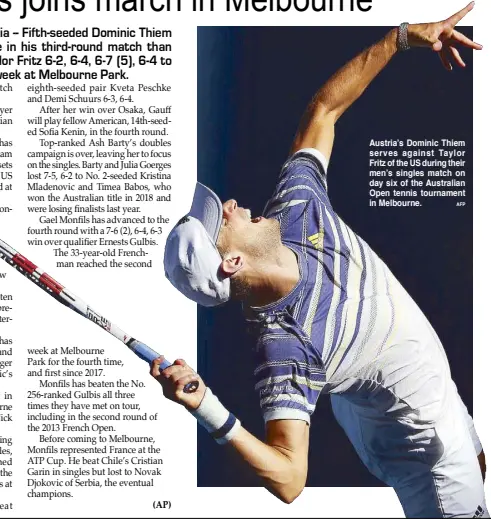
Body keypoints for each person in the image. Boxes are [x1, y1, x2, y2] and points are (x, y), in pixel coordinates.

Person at [154, 3, 487, 517]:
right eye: (222, 219)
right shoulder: (283, 347)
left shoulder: (294, 207)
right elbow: (290, 480)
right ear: (233, 263)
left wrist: (400, 38)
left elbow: (324, 110)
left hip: (413, 388)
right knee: (464, 479)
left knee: (474, 455)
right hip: (423, 451)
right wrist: (204, 406)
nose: (231, 204)